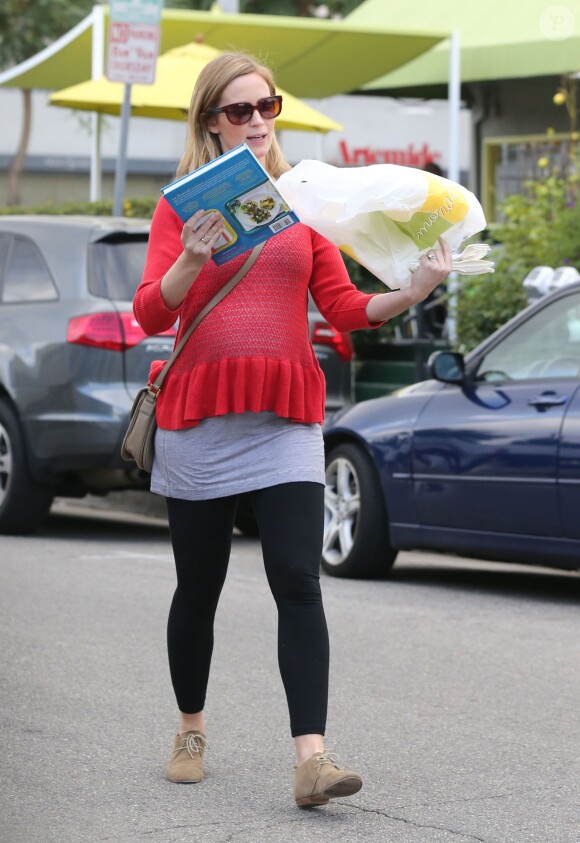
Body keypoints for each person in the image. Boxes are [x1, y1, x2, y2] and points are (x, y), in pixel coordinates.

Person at [133, 51, 451, 808]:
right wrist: (190, 260)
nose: (257, 122)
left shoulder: (304, 205)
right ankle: (190, 727)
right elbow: (152, 309)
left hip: (283, 416)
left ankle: (311, 758)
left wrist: (415, 288)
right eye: (239, 111)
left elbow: (344, 309)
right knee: (198, 587)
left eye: (266, 106)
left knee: (298, 582)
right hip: (201, 414)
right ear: (211, 120)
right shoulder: (182, 208)